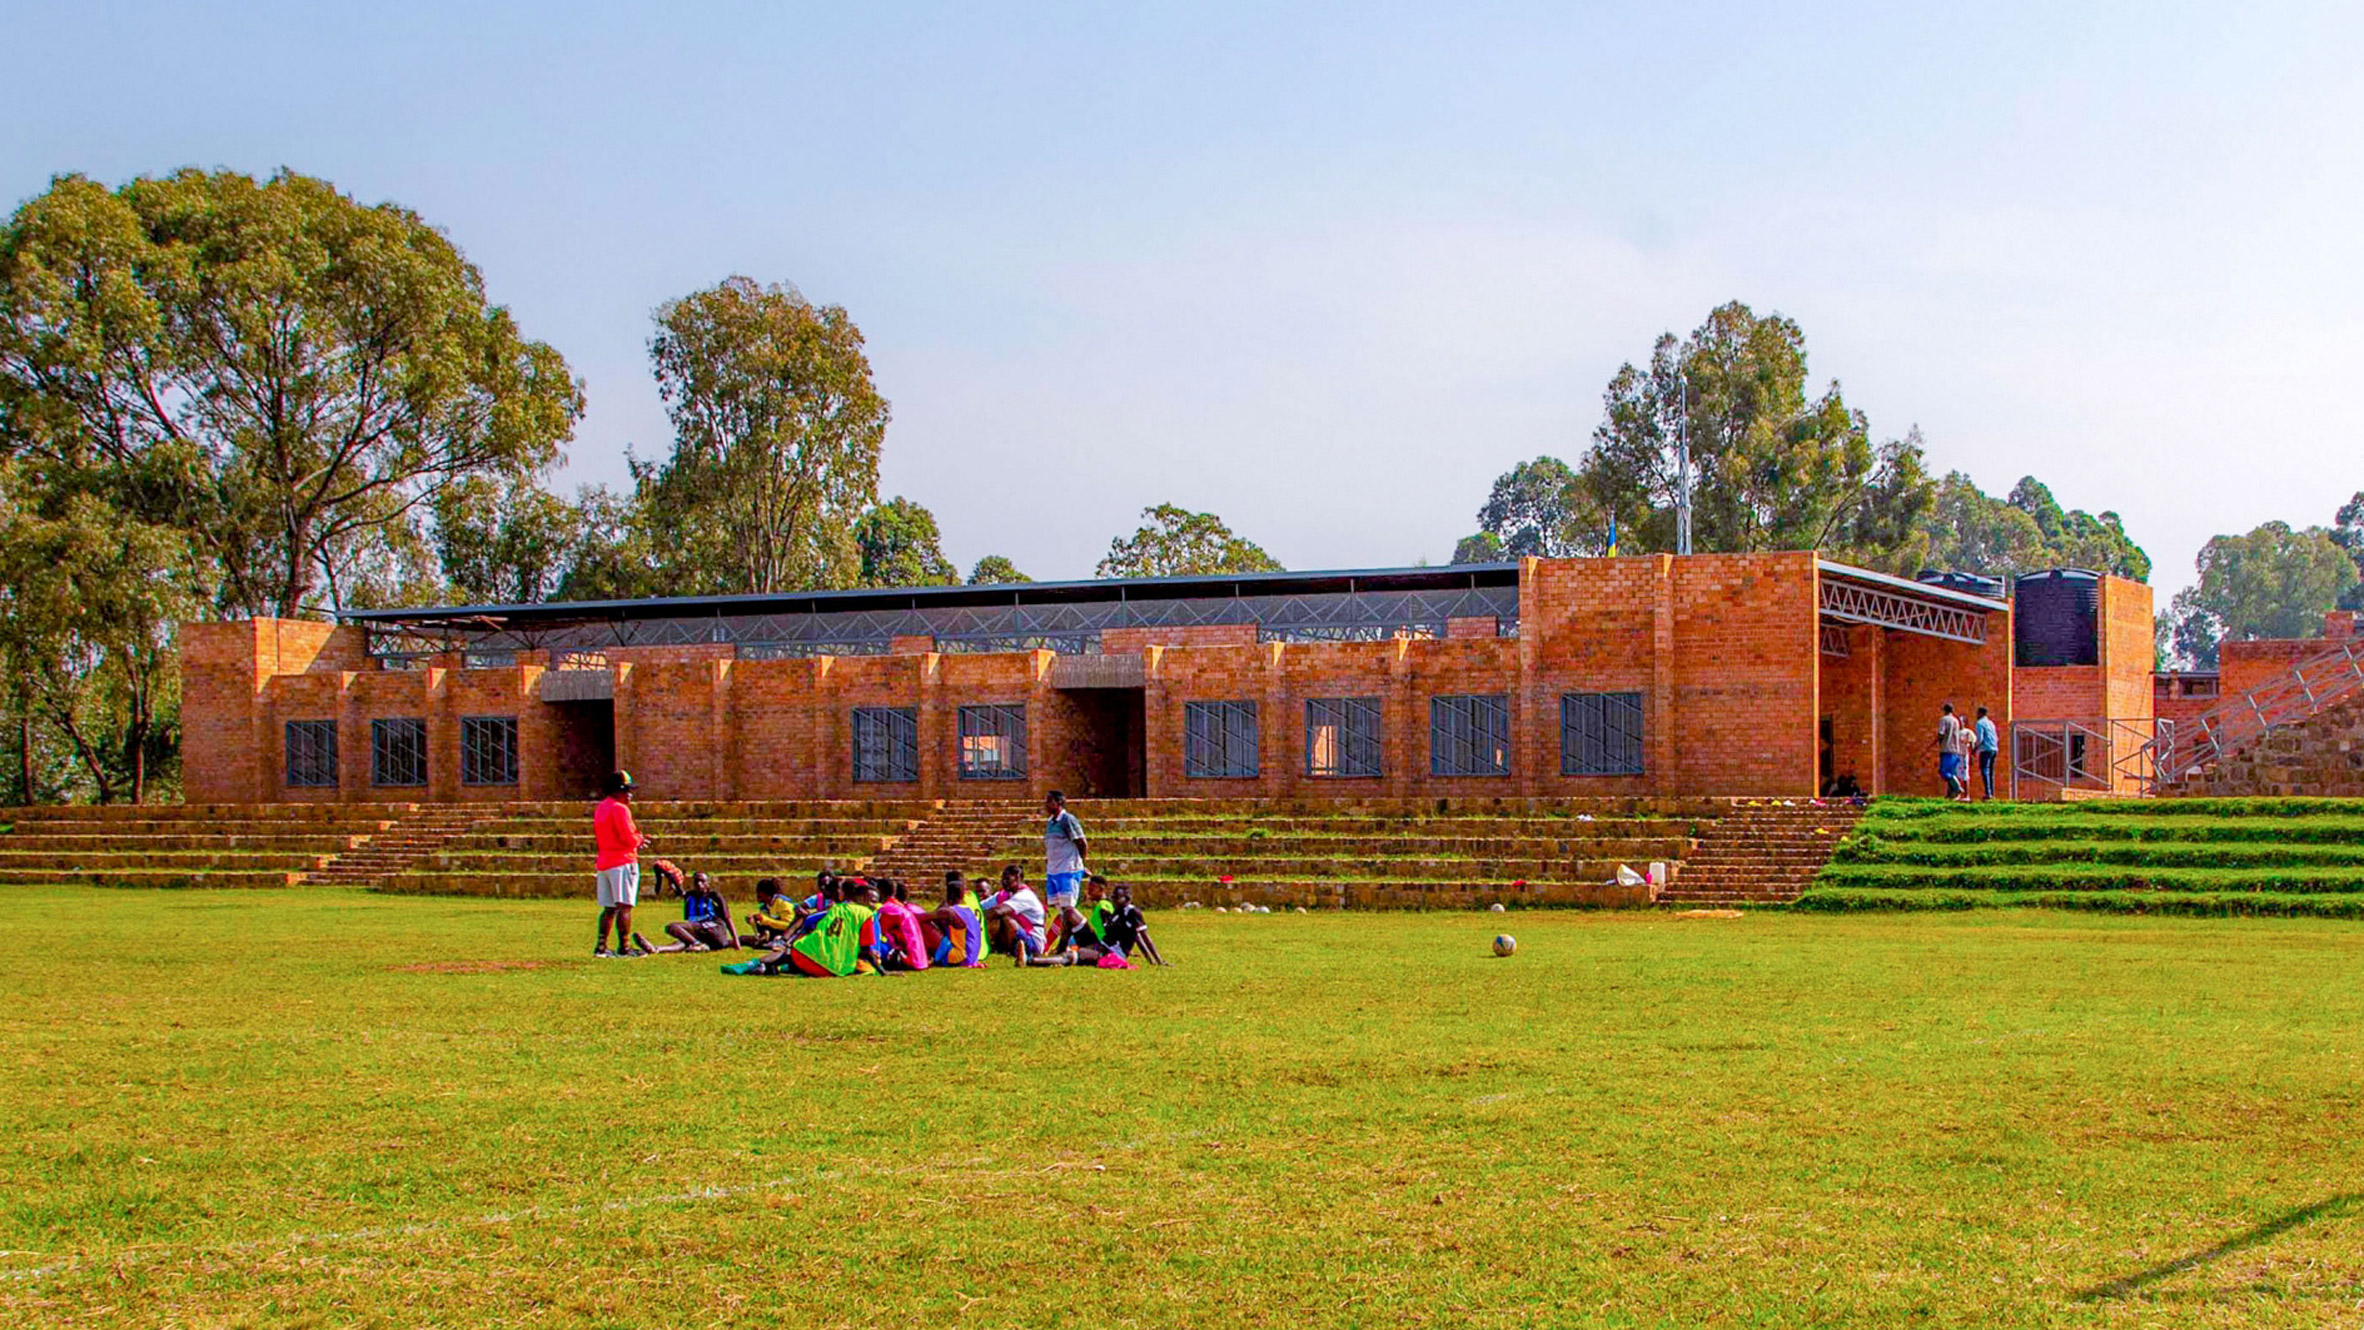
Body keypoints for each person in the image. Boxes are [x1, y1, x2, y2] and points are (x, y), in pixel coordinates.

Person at [592, 770, 649, 959]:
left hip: (604, 862)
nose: (629, 795)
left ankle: (601, 946)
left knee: (608, 908)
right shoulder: (620, 809)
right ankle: (624, 947)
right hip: (622, 861)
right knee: (624, 906)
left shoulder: (602, 807)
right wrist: (640, 838)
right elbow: (627, 838)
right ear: (617, 791)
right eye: (626, 790)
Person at [639, 871, 738, 953]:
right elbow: (688, 918)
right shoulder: (690, 897)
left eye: (702, 881)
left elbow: (727, 918)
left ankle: (697, 944)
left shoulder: (714, 896)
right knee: (683, 941)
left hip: (714, 930)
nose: (699, 884)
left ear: (708, 883)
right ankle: (656, 949)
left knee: (672, 927)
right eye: (696, 882)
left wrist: (736, 942)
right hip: (700, 931)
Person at [982, 864, 1047, 965]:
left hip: (1033, 942)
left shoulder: (1025, 895)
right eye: (1002, 879)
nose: (1004, 882)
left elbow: (997, 911)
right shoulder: (1004, 895)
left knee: (1004, 918)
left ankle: (1025, 953)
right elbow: (981, 906)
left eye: (1007, 879)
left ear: (1017, 877)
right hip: (1018, 937)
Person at [922, 872, 986, 968]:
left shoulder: (949, 912)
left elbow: (921, 918)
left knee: (924, 925)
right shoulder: (967, 909)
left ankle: (921, 957)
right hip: (972, 957)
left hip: (960, 958)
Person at [1041, 790, 1089, 915]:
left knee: (1069, 908)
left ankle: (1079, 932)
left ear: (1059, 803)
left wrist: (1081, 864)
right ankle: (1068, 934)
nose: (1046, 805)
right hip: (1053, 870)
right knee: (1059, 908)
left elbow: (1081, 842)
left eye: (1049, 801)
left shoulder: (1068, 820)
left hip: (1068, 870)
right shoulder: (1050, 822)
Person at [741, 878, 799, 947]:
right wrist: (754, 920)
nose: (758, 897)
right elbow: (764, 922)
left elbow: (789, 926)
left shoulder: (783, 903)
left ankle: (773, 941)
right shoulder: (764, 905)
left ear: (767, 894)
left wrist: (766, 920)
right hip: (774, 931)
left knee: (777, 939)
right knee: (743, 938)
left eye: (760, 894)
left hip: (790, 933)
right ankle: (764, 939)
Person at [1932, 704, 1965, 800]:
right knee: (1952, 772)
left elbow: (1941, 733)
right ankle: (1951, 795)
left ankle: (1957, 788)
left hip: (1946, 748)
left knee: (1944, 771)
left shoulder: (1944, 720)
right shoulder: (1956, 721)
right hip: (1956, 750)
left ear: (1944, 710)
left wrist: (1937, 742)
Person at [1974, 706, 2000, 800]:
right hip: (1994, 748)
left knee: (1985, 770)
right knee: (1991, 772)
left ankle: (1988, 793)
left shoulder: (1980, 723)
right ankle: (1991, 793)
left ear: (1980, 713)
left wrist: (1975, 748)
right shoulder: (1991, 723)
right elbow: (1996, 736)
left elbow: (1980, 738)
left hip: (1985, 749)